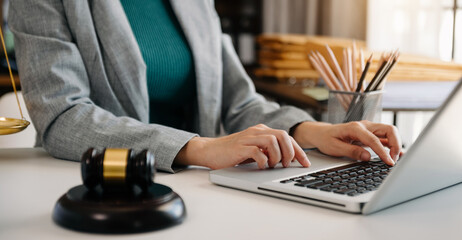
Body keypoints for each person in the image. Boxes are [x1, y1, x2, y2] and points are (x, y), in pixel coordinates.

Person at [9, 0, 401, 173]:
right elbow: (62, 116)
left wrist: (317, 131)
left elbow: (238, 101)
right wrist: (200, 148)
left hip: (204, 188)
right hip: (101, 188)